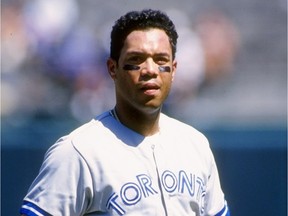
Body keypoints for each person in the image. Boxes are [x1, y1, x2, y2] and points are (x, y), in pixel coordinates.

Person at [20, 9, 230, 216]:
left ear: (173, 70)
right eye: (136, 59)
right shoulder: (78, 152)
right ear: (113, 69)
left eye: (161, 60)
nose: (150, 70)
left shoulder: (195, 145)